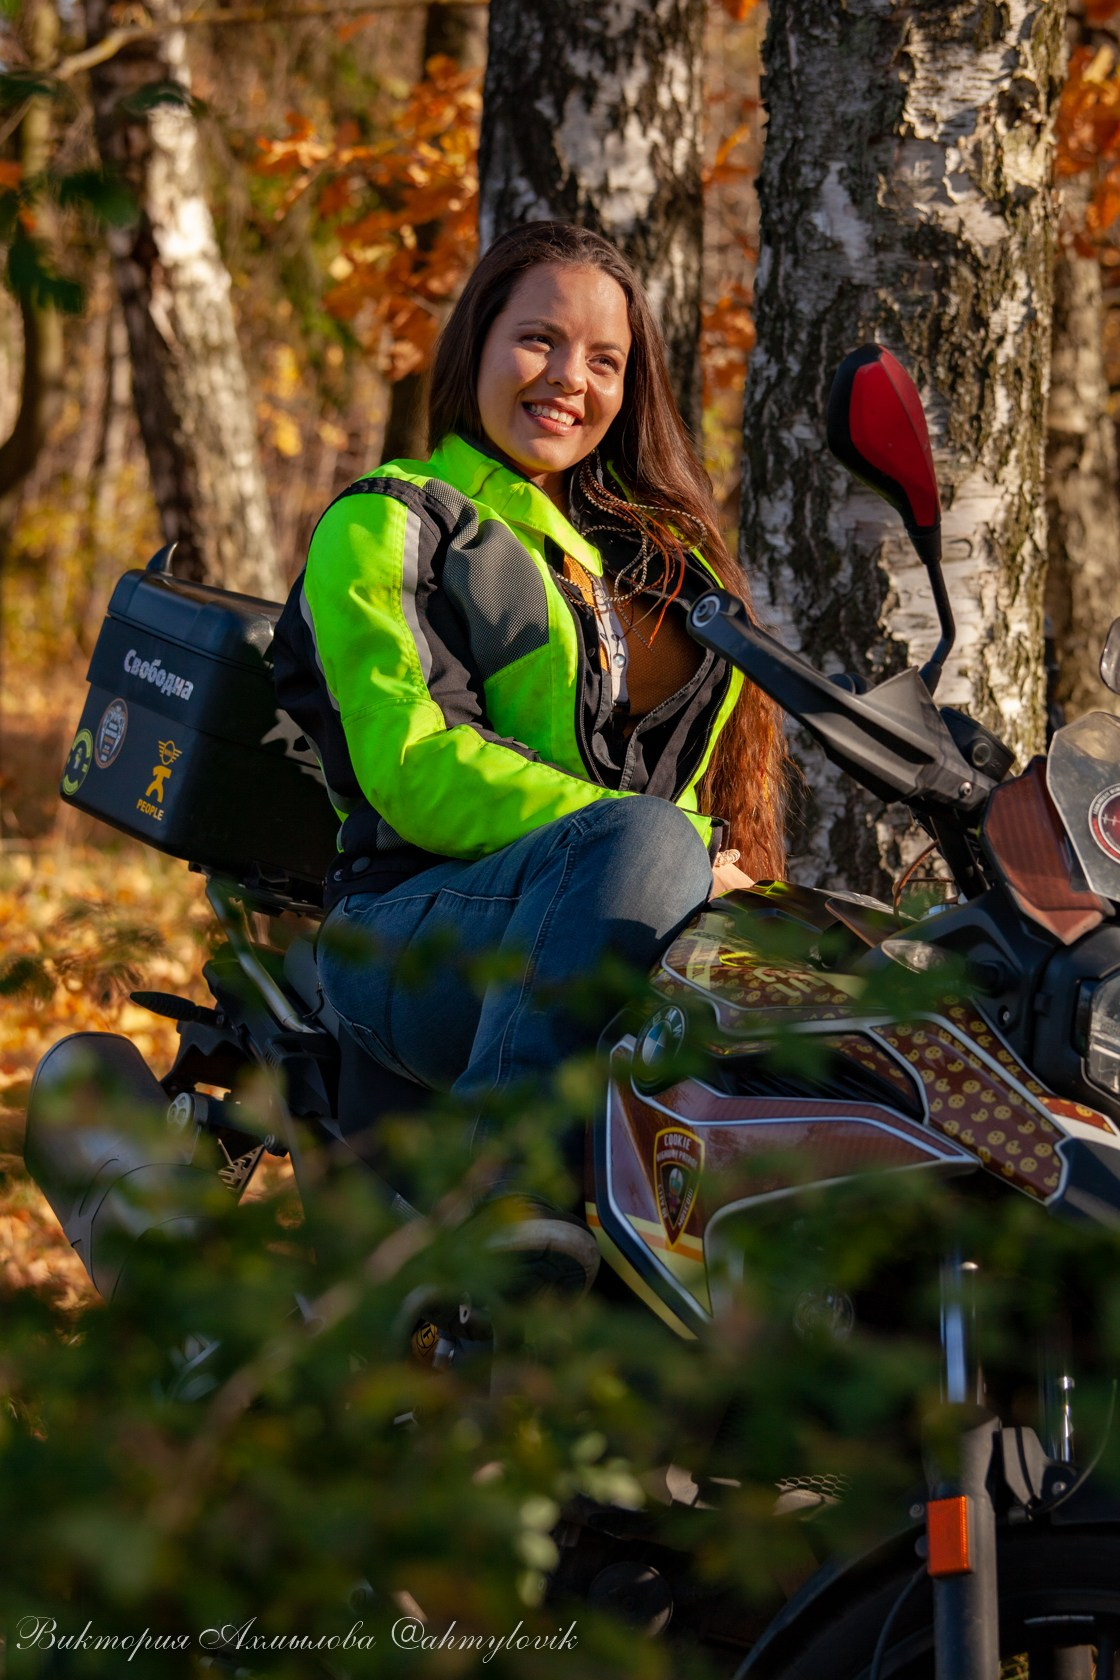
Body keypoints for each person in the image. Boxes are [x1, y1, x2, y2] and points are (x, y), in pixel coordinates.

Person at [274, 221, 787, 1235]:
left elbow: (677, 782)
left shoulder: (657, 555)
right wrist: (667, 845)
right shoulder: (393, 520)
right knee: (647, 839)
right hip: (413, 931)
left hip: (632, 928)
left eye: (605, 360)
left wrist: (707, 869)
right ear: (476, 343)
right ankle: (497, 1204)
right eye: (539, 340)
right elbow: (416, 766)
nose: (569, 380)